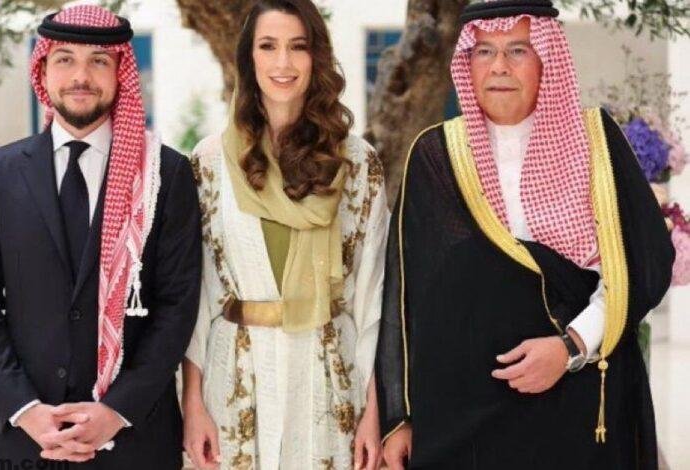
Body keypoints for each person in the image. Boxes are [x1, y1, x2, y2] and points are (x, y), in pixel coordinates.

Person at [376, 1, 674, 469]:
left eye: (517, 50)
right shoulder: (436, 154)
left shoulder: (596, 142)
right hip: (466, 416)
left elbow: (642, 264)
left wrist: (571, 347)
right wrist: (400, 417)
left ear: (545, 61)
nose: (499, 66)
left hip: (576, 405)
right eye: (484, 51)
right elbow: (406, 294)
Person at [0, 5, 201, 468]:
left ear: (120, 73)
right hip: (25, 439)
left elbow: (178, 306)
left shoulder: (166, 175)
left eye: (98, 61)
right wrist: (25, 410)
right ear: (43, 70)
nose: (80, 76)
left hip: (135, 440)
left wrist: (116, 411)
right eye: (65, 59)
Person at [181, 0, 389, 468]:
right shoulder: (210, 162)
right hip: (234, 381)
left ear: (316, 57)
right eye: (268, 46)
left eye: (298, 46)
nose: (283, 63)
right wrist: (192, 405)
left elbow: (371, 297)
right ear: (248, 58)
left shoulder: (356, 163)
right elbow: (197, 296)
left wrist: (374, 412)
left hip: (329, 380)